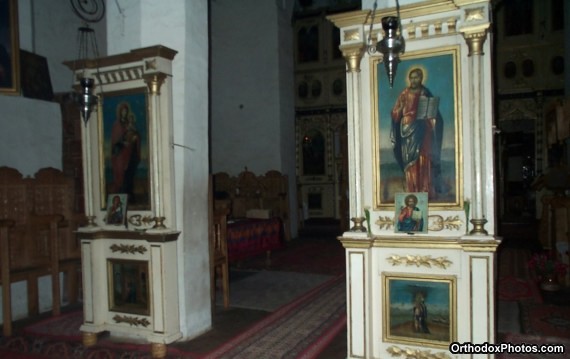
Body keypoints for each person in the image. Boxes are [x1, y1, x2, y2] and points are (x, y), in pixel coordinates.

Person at [390, 68, 444, 199]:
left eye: (416, 77)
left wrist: (431, 114)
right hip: (407, 131)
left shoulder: (425, 93)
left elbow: (434, 115)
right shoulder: (404, 94)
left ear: (421, 78)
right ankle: (412, 190)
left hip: (424, 130)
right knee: (410, 163)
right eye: (412, 78)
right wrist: (401, 109)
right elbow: (395, 114)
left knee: (424, 159)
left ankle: (425, 190)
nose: (414, 80)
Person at [110, 102, 141, 201]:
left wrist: (135, 137)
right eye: (123, 111)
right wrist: (123, 143)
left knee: (129, 175)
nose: (124, 113)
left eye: (125, 111)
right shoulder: (117, 125)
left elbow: (135, 135)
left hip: (129, 153)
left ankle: (129, 195)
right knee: (121, 175)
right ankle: (120, 196)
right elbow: (115, 141)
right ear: (120, 112)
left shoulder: (129, 124)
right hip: (121, 155)